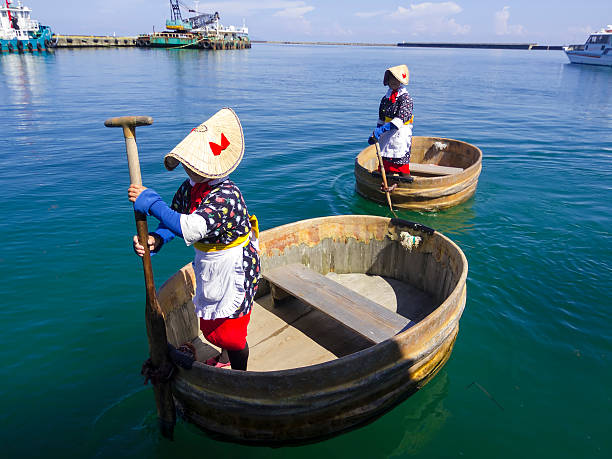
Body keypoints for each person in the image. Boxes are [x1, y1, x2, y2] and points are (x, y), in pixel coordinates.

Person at [128, 108, 260, 371]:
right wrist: (157, 238)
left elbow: (189, 227)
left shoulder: (226, 196)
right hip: (210, 259)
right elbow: (175, 219)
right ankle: (224, 357)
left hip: (235, 263)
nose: (187, 167)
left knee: (232, 334)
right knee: (214, 319)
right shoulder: (190, 186)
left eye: (192, 162)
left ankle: (240, 375)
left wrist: (151, 202)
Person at [368, 64, 414, 176]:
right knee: (385, 164)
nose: (393, 81)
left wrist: (383, 129)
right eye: (391, 78)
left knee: (401, 165)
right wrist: (376, 132)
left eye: (396, 79)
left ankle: (404, 184)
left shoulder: (405, 98)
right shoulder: (385, 98)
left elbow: (400, 119)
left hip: (400, 134)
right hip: (386, 135)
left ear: (401, 81)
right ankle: (386, 181)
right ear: (387, 80)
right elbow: (381, 117)